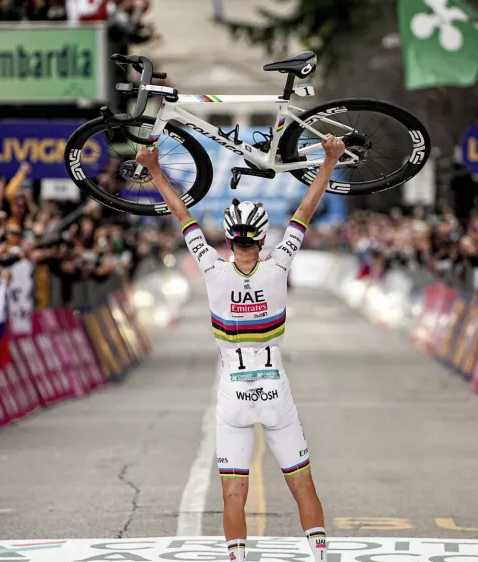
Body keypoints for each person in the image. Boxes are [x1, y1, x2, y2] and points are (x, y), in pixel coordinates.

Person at [134, 135, 347, 562]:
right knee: (301, 484)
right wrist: (329, 160)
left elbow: (183, 217)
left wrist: (155, 169)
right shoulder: (280, 264)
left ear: (229, 240)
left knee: (234, 490)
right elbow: (305, 211)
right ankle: (321, 556)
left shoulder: (211, 266)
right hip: (275, 391)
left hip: (233, 392)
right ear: (262, 238)